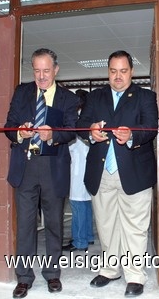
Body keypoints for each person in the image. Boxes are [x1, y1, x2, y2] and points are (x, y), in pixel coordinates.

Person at [76, 50, 159, 297]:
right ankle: (110, 269)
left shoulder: (145, 96)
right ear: (108, 72)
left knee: (135, 227)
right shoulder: (95, 97)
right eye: (113, 71)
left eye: (123, 71)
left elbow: (151, 127)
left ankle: (135, 275)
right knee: (106, 224)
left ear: (131, 72)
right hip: (101, 171)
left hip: (134, 172)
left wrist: (132, 135)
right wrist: (90, 131)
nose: (118, 76)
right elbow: (80, 126)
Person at [4, 48, 79, 298]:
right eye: (37, 70)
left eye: (46, 71)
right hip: (25, 166)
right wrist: (20, 131)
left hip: (52, 167)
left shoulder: (68, 98)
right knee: (25, 224)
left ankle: (52, 274)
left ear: (56, 70)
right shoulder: (22, 92)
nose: (42, 76)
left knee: (55, 224)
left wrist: (53, 134)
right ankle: (23, 277)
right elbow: (8, 126)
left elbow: (71, 131)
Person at [63, 89, 95, 252]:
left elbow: (70, 146)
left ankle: (79, 241)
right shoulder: (88, 119)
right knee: (86, 205)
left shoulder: (76, 121)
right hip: (86, 169)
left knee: (77, 205)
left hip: (77, 171)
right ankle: (88, 236)